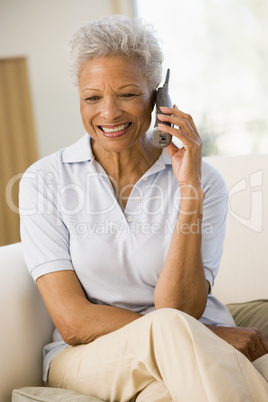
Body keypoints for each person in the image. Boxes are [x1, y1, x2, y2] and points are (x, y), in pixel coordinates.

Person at [19, 15, 268, 401]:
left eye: (128, 93)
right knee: (174, 334)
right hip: (89, 356)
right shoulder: (44, 182)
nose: (109, 113)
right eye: (92, 97)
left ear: (158, 96)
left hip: (186, 348)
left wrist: (190, 191)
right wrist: (201, 336)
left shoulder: (205, 183)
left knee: (166, 394)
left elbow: (179, 307)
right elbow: (73, 321)